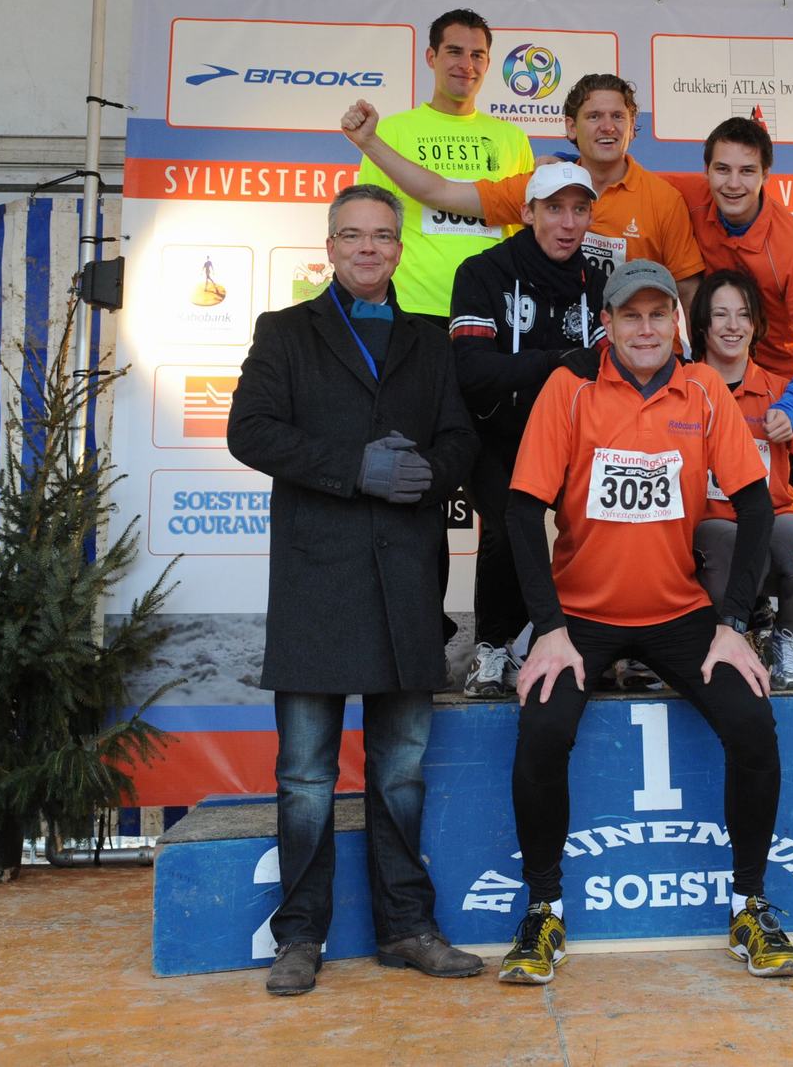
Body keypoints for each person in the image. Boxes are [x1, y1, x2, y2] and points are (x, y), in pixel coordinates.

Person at [497, 260, 793, 984]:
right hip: (581, 616)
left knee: (753, 722)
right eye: (630, 315)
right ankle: (543, 911)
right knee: (541, 729)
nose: (645, 329)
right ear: (606, 323)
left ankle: (750, 905)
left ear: (676, 323)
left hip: (678, 612)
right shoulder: (570, 388)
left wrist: (733, 622)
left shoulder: (701, 390)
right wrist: (548, 628)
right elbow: (520, 509)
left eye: (658, 314)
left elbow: (755, 505)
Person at [226, 184, 483, 997]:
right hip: (317, 585)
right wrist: (354, 468)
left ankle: (407, 927)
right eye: (352, 235)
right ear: (330, 247)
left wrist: (429, 472)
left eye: (381, 235)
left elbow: (462, 438)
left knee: (400, 771)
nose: (368, 248)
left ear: (400, 248)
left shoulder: (430, 340)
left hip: (406, 584)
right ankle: (299, 937)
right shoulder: (284, 331)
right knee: (305, 775)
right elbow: (249, 430)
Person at [340, 73, 704, 307]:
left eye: (618, 117)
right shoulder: (539, 186)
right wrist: (370, 142)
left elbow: (688, 292)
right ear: (571, 127)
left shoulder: (663, 199)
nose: (607, 127)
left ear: (632, 125)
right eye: (594, 116)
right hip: (560, 348)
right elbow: (441, 192)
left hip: (639, 356)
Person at [449, 160, 607, 697]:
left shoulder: (598, 282)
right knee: (507, 525)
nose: (568, 223)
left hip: (572, 437)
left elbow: (610, 368)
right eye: (554, 209)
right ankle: (492, 649)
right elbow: (472, 371)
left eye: (579, 210)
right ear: (527, 213)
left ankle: (601, 641)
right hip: (494, 432)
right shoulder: (482, 272)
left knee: (614, 520)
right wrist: (557, 361)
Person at [689, 269, 793, 690]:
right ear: (702, 323)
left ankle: (786, 637)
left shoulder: (781, 394)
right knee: (736, 545)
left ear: (757, 325)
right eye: (720, 314)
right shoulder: (682, 389)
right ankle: (734, 632)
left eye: (743, 314)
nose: (733, 326)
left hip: (775, 519)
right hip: (708, 527)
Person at [355, 8, 536, 327]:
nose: (466, 65)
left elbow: (528, 231)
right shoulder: (389, 133)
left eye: (477, 55)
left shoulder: (513, 138)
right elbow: (370, 222)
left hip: (493, 306)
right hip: (412, 304)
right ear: (431, 57)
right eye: (454, 51)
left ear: (488, 63)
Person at [661, 115, 793, 437]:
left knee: (792, 471)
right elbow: (629, 181)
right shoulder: (688, 195)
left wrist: (790, 407)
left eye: (747, 171)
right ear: (706, 170)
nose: (733, 184)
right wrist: (573, 163)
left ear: (766, 174)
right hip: (714, 371)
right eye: (722, 169)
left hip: (779, 382)